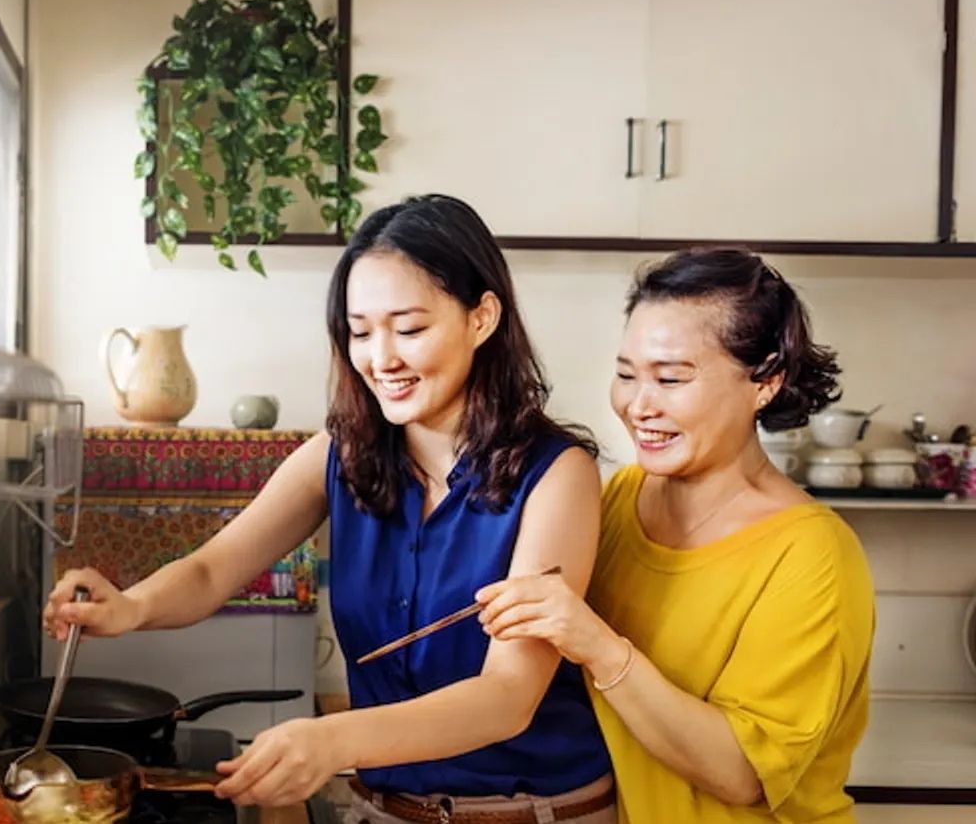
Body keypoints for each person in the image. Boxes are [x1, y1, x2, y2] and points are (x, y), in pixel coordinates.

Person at [46, 195, 617, 820]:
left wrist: (332, 738)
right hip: (383, 810)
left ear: (481, 318)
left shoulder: (558, 475)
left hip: (533, 811)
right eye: (361, 331)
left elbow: (507, 696)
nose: (381, 358)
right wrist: (130, 607)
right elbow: (211, 571)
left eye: (409, 329)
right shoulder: (341, 454)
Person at [477, 248, 875, 823]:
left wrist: (595, 643)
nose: (639, 405)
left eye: (670, 379)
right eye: (626, 375)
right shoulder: (622, 496)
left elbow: (741, 774)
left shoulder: (812, 556)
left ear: (765, 381)